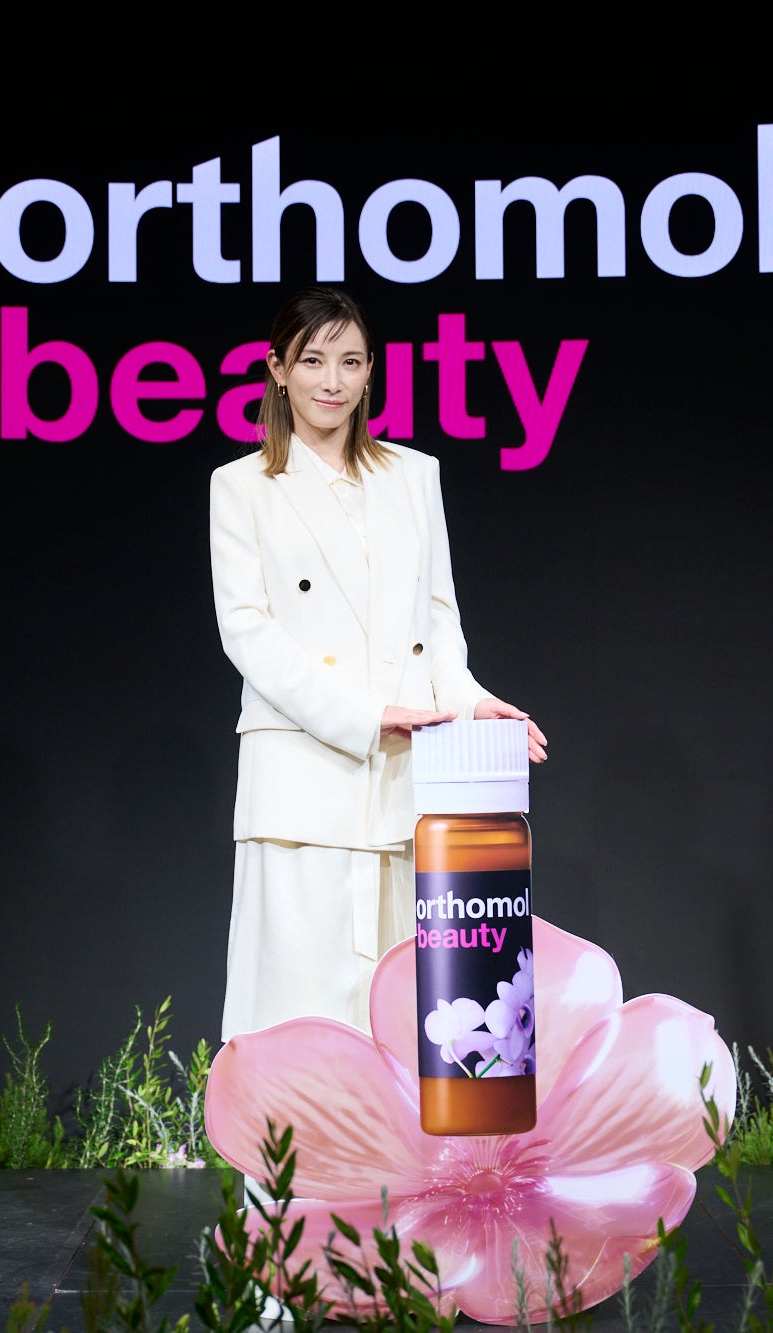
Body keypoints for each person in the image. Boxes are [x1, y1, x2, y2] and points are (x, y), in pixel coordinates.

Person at [210, 286, 547, 1043]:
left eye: (351, 361)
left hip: (401, 779)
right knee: (299, 1016)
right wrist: (366, 716)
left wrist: (470, 701)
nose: (332, 381)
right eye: (313, 361)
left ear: (370, 373)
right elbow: (248, 633)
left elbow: (437, 620)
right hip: (303, 777)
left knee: (405, 1016)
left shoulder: (413, 476)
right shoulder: (240, 487)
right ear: (277, 370)